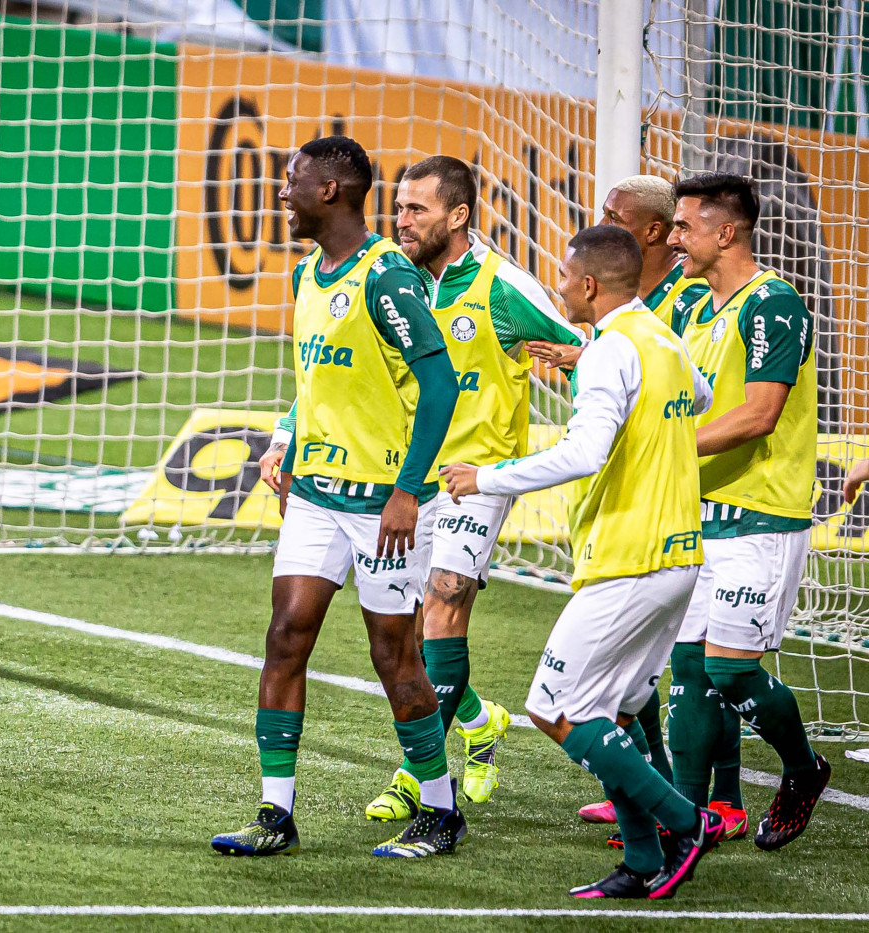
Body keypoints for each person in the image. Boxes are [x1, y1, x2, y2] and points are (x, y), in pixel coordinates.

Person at [260, 155, 584, 816]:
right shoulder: (390, 278)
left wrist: (589, 392)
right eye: (400, 207)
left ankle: (419, 779)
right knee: (399, 640)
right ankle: (472, 721)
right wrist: (286, 434)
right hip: (397, 471)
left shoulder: (501, 286)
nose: (402, 219)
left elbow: (590, 349)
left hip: (473, 478)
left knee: (439, 608)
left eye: (418, 209)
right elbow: (331, 371)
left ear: (458, 215)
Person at [443, 225, 722, 899]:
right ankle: (641, 858)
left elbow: (584, 453)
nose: (560, 286)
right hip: (679, 551)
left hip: (632, 554)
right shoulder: (662, 338)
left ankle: (686, 823)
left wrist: (487, 477)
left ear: (590, 285)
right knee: (617, 714)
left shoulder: (608, 351)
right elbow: (704, 399)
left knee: (551, 705)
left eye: (566, 277)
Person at [210, 136, 462, 858]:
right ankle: (274, 812)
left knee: (394, 657)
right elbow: (315, 377)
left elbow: (440, 384)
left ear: (330, 191)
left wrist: (408, 492)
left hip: (382, 501)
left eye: (292, 181)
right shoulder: (306, 276)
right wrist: (285, 436)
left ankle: (440, 812)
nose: (281, 192)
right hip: (318, 495)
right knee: (286, 632)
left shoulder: (386, 276)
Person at [528, 175, 730, 831]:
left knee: (573, 701)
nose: (602, 217)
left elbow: (660, 402)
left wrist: (490, 477)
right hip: (660, 535)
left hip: (647, 535)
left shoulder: (670, 308)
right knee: (628, 695)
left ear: (648, 230)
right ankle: (648, 814)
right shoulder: (644, 323)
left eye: (615, 213)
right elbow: (682, 388)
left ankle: (691, 809)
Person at [665, 172, 830, 851]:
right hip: (697, 514)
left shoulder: (772, 303)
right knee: (689, 672)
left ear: (724, 231)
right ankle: (685, 818)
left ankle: (802, 769)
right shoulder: (689, 309)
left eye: (683, 226)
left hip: (760, 516)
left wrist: (661, 449)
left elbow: (760, 414)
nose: (673, 237)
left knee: (731, 670)